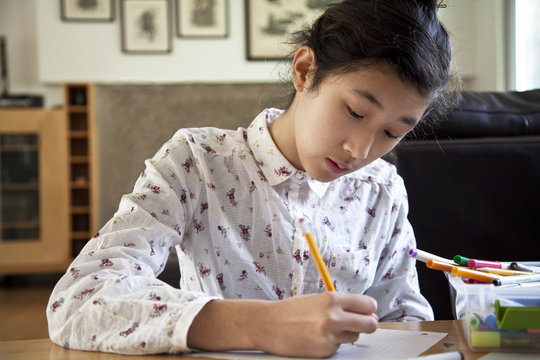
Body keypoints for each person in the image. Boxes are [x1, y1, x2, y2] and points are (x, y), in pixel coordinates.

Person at [47, 0, 454, 358]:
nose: (360, 151)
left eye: (392, 132)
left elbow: (405, 322)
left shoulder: (381, 191)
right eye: (354, 111)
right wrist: (263, 326)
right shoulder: (198, 162)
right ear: (305, 70)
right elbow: (78, 299)